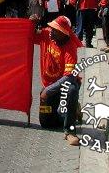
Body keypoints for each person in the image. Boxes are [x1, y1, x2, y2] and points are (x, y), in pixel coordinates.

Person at [32, 15, 83, 146]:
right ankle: (72, 110)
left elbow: (69, 77)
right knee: (47, 124)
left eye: (55, 29)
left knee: (71, 89)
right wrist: (31, 23)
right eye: (52, 28)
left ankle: (70, 131)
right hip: (49, 86)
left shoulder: (70, 48)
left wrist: (48, 91)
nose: (51, 31)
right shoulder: (47, 34)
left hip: (64, 85)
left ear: (63, 33)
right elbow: (30, 35)